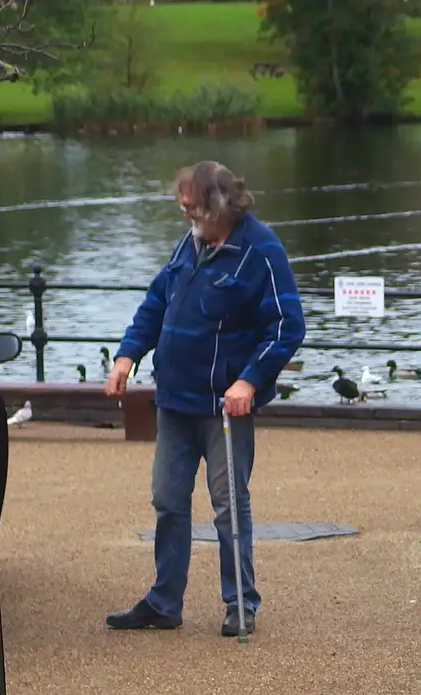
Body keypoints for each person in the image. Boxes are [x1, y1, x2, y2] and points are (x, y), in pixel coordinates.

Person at [103, 161, 305, 637]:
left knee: (228, 506)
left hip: (223, 407)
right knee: (167, 500)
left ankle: (240, 604)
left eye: (192, 205)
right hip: (175, 401)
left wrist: (250, 382)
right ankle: (163, 601)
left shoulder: (261, 251)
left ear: (219, 204)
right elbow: (156, 302)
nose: (184, 212)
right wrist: (127, 354)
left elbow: (287, 326)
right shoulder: (188, 243)